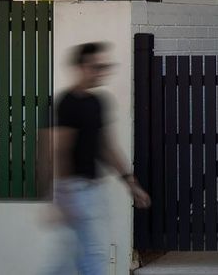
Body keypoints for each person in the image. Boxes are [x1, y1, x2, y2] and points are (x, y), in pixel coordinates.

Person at [41, 42, 149, 275]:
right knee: (92, 255)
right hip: (74, 190)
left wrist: (131, 183)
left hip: (91, 189)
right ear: (81, 67)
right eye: (96, 66)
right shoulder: (67, 103)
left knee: (74, 256)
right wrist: (61, 197)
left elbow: (106, 147)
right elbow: (58, 150)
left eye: (104, 66)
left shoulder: (97, 102)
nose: (102, 71)